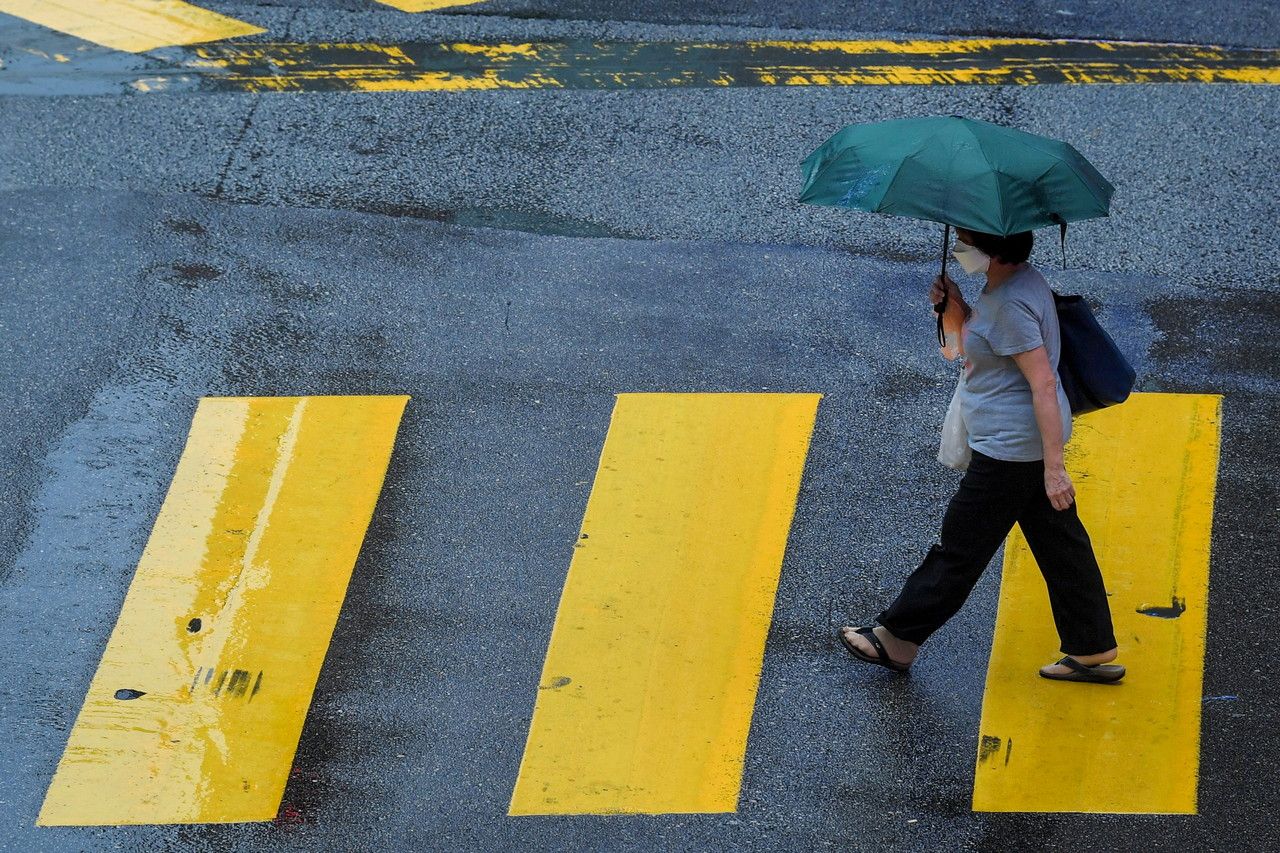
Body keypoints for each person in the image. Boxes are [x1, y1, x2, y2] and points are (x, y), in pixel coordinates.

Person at [838, 227, 1124, 684]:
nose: (960, 250)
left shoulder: (1007, 304)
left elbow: (1043, 383)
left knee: (960, 549)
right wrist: (957, 309)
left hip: (1010, 450)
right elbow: (993, 348)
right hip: (1018, 444)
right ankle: (1091, 646)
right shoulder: (1019, 283)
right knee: (1060, 542)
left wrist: (1054, 469)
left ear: (993, 247)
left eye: (967, 241)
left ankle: (898, 638)